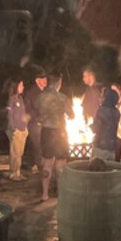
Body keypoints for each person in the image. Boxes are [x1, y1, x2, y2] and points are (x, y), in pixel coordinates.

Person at [37, 73, 74, 202]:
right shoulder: (62, 98)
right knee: (61, 164)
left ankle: (44, 194)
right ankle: (61, 192)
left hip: (46, 132)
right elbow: (72, 115)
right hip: (59, 132)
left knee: (47, 164)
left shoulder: (41, 97)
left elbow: (38, 112)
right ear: (58, 83)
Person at [24, 69, 47, 174]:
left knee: (42, 144)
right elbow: (28, 109)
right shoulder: (31, 93)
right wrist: (38, 118)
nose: (45, 80)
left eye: (45, 78)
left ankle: (41, 165)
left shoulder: (45, 92)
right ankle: (35, 165)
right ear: (37, 80)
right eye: (42, 78)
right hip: (35, 124)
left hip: (44, 123)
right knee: (36, 145)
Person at [6, 78, 28, 181]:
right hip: (16, 130)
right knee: (15, 152)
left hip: (23, 130)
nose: (23, 87)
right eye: (21, 85)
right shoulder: (12, 99)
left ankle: (18, 172)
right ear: (16, 87)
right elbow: (9, 115)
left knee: (20, 153)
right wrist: (13, 128)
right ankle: (13, 173)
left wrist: (25, 127)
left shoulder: (20, 99)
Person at [91, 88, 121, 162]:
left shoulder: (101, 111)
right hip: (112, 147)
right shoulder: (117, 112)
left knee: (96, 167)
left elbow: (96, 128)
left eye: (102, 96)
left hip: (100, 146)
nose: (100, 98)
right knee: (109, 167)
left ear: (106, 99)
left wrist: (91, 126)